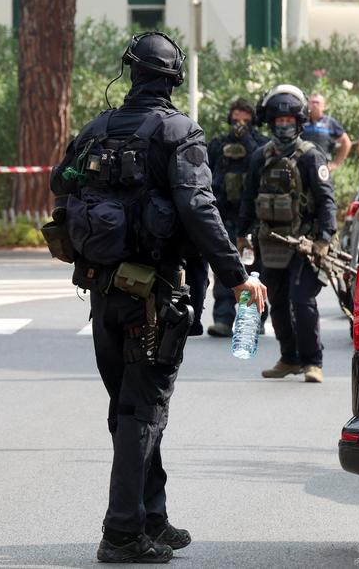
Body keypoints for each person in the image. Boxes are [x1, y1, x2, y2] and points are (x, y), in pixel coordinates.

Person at [51, 32, 267, 564]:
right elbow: (198, 207)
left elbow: (62, 184)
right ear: (174, 78)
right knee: (143, 411)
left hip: (102, 291)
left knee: (129, 407)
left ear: (130, 73)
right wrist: (238, 276)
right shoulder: (178, 132)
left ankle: (152, 516)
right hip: (154, 293)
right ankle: (122, 533)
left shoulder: (96, 129)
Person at [238, 85, 337, 383]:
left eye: (289, 122)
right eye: (279, 122)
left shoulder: (311, 157)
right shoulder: (260, 157)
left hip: (306, 243)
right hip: (271, 243)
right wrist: (241, 234)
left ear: (299, 122)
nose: (283, 127)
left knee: (302, 300)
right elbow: (248, 198)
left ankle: (312, 362)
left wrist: (324, 239)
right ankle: (289, 358)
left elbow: (326, 200)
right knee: (277, 301)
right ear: (271, 123)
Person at [206, 98, 268, 337]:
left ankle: (254, 318)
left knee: (253, 269)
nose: (240, 123)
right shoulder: (218, 144)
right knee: (224, 266)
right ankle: (223, 318)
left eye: (245, 118)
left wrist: (247, 141)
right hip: (224, 215)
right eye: (236, 117)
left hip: (252, 218)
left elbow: (260, 165)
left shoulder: (261, 145)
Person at [302, 91, 352, 168]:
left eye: (317, 103)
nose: (314, 105)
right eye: (312, 102)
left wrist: (335, 164)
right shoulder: (301, 121)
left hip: (322, 167)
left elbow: (347, 142)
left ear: (324, 106)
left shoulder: (330, 123)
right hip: (301, 166)